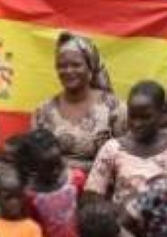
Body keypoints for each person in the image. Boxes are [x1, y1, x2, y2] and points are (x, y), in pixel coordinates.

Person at [31, 32, 125, 174]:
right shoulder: (43, 112)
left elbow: (125, 160)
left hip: (100, 193)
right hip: (53, 193)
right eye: (62, 66)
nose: (68, 71)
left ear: (90, 67)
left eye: (76, 65)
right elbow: (34, 160)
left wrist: (67, 165)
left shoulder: (114, 109)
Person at [85, 81, 167, 210]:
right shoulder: (113, 148)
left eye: (145, 117)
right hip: (121, 223)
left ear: (163, 113)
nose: (137, 123)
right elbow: (93, 195)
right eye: (132, 116)